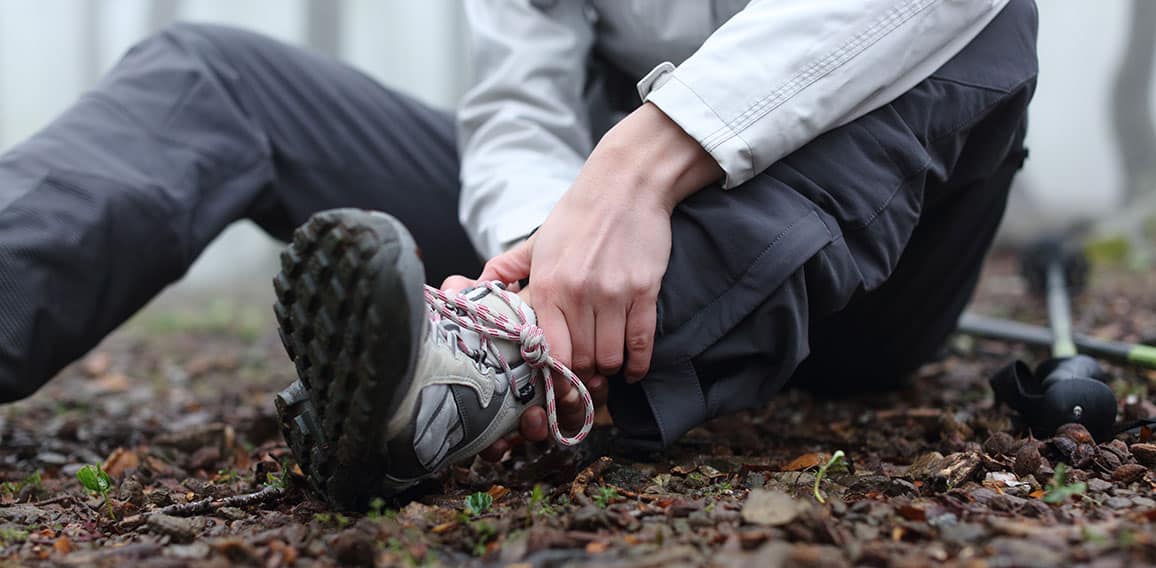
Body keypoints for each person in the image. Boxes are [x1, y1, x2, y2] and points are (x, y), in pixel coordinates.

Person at [0, 0, 1038, 509]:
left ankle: (490, 366)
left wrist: (649, 155)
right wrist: (547, 241)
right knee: (212, 74)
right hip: (591, 231)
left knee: (986, 25)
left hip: (879, 272)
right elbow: (514, 104)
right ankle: (499, 333)